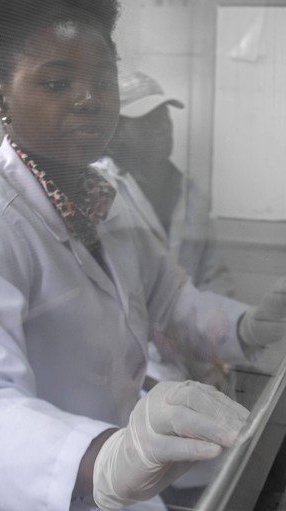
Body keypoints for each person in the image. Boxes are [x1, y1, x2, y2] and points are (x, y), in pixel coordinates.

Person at [0, 1, 286, 509]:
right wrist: (101, 457)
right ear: (1, 101)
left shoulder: (110, 192)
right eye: (56, 83)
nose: (89, 100)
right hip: (11, 491)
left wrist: (249, 325)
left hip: (112, 474)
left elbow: (173, 300)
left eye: (104, 80)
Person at [94, 72, 234, 388]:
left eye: (164, 118)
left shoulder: (191, 194)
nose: (162, 129)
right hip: (127, 367)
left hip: (190, 354)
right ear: (115, 132)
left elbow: (214, 274)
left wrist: (212, 336)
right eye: (146, 121)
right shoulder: (98, 193)